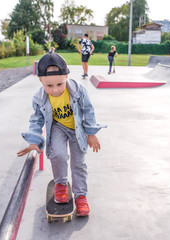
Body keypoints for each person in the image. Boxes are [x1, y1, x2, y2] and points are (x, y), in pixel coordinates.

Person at [17, 53, 106, 216]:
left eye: (60, 84)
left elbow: (88, 109)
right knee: (58, 154)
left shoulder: (78, 90)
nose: (55, 90)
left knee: (78, 163)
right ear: (40, 81)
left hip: (78, 128)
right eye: (49, 86)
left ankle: (80, 196)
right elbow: (36, 119)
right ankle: (61, 185)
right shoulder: (39, 97)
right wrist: (34, 139)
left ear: (67, 76)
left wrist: (91, 132)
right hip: (58, 126)